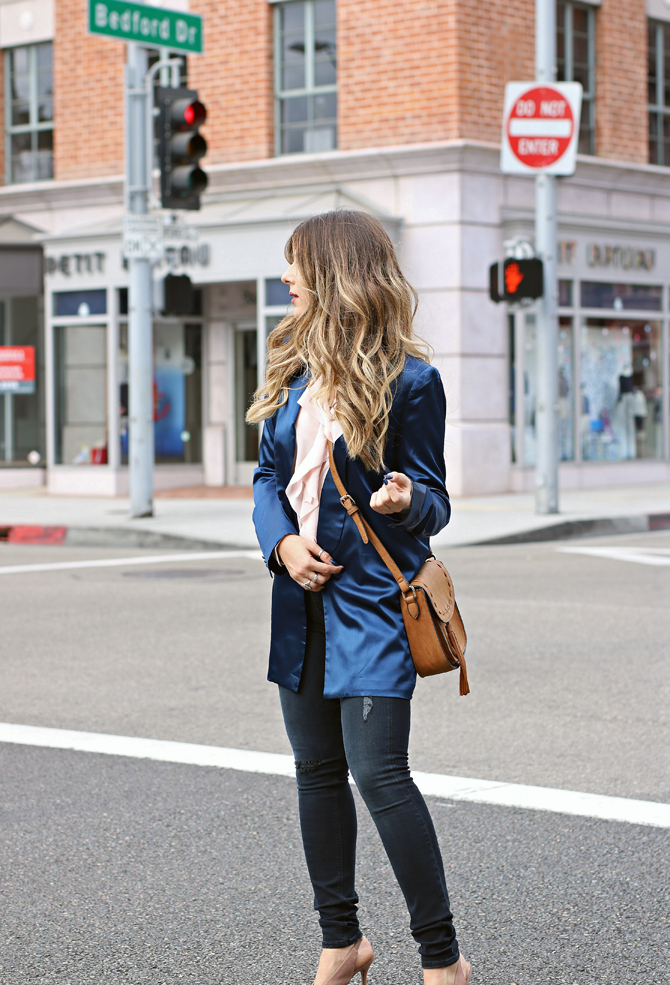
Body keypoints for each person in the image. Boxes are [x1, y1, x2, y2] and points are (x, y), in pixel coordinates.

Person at [248, 210, 471, 985]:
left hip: (374, 605)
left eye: (296, 267)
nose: (286, 280)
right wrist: (279, 542)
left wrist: (407, 497)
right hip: (299, 604)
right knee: (315, 770)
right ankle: (341, 942)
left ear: (336, 273)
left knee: (379, 774)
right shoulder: (291, 369)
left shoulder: (412, 381)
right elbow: (267, 478)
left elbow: (437, 501)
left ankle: (443, 959)